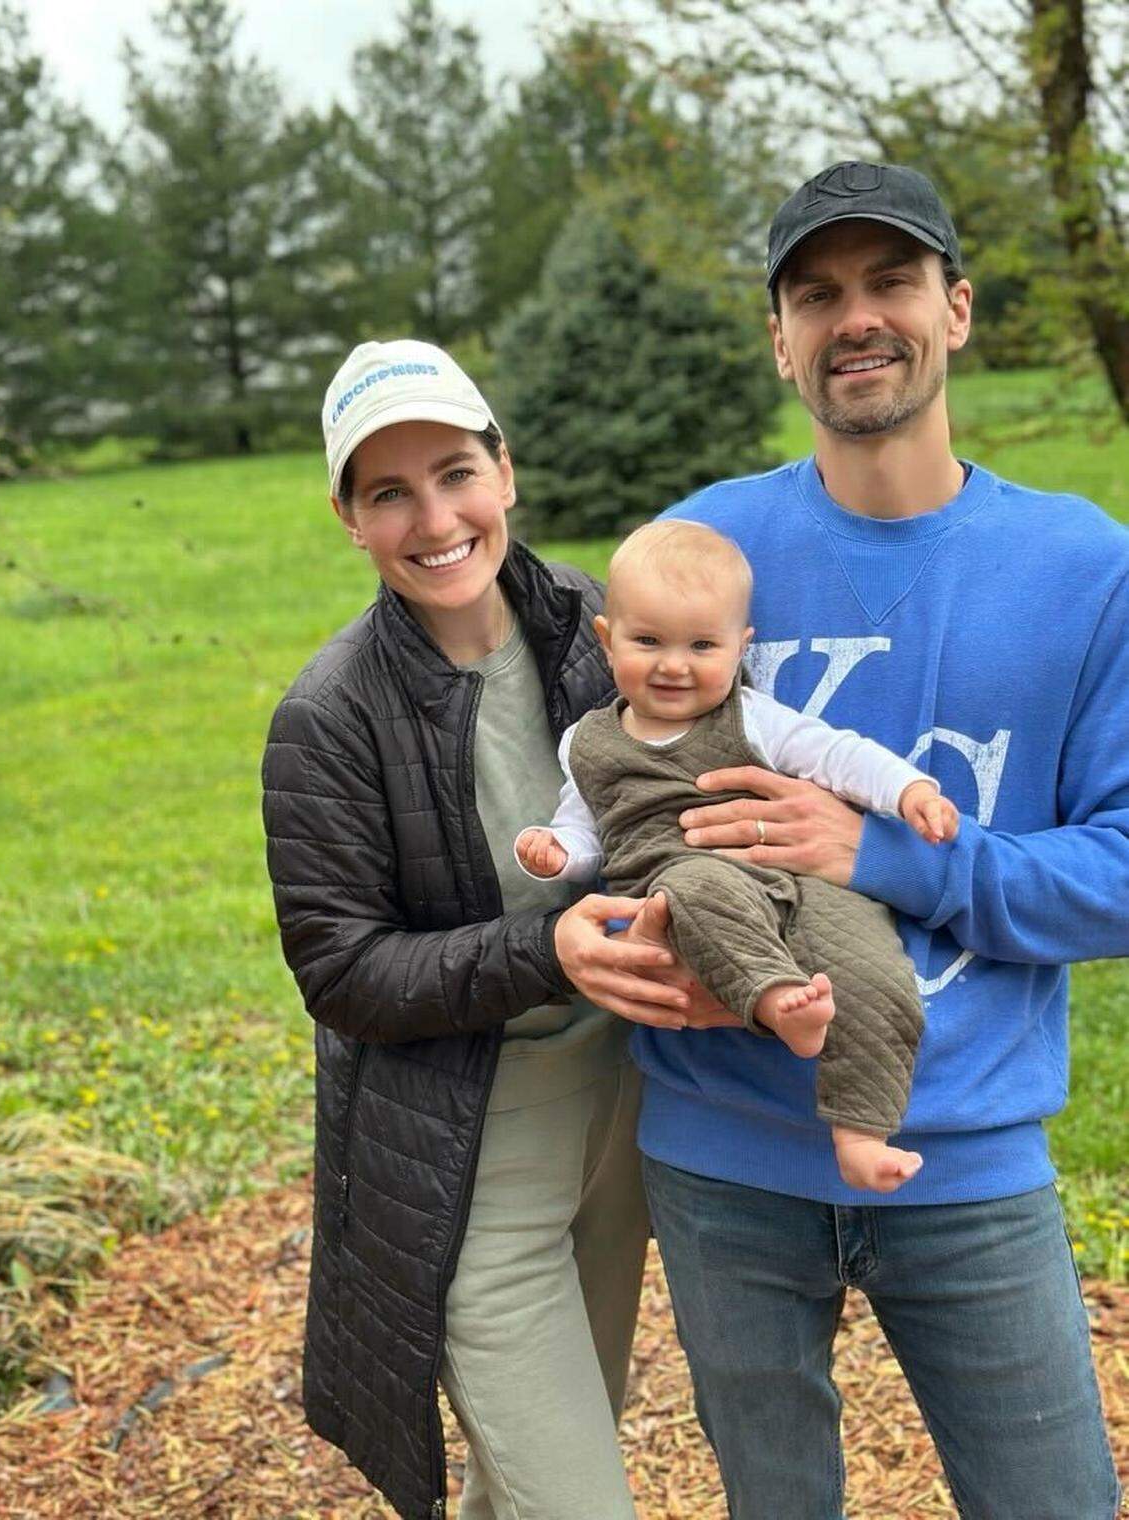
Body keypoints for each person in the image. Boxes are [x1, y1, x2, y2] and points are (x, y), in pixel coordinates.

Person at [625, 163, 1127, 1517]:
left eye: (890, 281)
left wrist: (890, 854)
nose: (857, 316)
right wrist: (599, 932)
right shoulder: (697, 555)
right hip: (722, 1150)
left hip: (967, 1152)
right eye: (817, 292)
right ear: (778, 338)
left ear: (955, 309)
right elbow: (619, 806)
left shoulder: (1085, 568)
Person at [261, 339, 699, 1520]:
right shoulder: (329, 715)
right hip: (470, 1144)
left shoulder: (599, 626)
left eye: (456, 471)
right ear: (347, 515)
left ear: (505, 470)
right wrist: (544, 947)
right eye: (389, 490)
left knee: (529, 1477)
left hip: (622, 1106)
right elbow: (340, 968)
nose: (434, 517)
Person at [515, 518, 959, 1192]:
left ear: (739, 646)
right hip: (685, 893)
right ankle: (779, 999)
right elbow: (585, 833)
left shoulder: (751, 716)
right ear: (607, 641)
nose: (673, 664)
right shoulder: (589, 742)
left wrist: (909, 789)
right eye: (648, 641)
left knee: (876, 969)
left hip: (800, 885)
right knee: (693, 888)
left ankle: (861, 1133)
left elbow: (836, 755)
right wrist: (556, 852)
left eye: (701, 645)